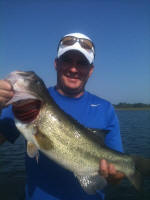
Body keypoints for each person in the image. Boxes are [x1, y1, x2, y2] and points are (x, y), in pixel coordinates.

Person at [0, 32, 124, 200]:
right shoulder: (23, 105)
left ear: (90, 70)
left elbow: (118, 176)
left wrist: (116, 175)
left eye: (81, 63)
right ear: (56, 64)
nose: (73, 69)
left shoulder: (106, 109)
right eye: (67, 60)